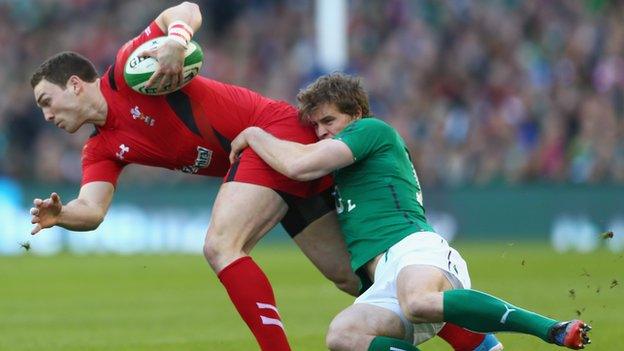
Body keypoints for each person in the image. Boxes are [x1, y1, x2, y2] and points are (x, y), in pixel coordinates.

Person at [27, 3, 494, 351]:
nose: (46, 116)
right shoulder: (101, 146)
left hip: (270, 135)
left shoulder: (132, 71)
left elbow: (186, 8)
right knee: (359, 281)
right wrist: (62, 214)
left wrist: (177, 38)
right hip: (258, 164)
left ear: (74, 85)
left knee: (221, 245)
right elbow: (93, 210)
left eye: (47, 102)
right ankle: (482, 344)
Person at [229, 73, 593, 351]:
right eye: (316, 126)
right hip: (383, 276)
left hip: (413, 248)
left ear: (355, 114)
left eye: (329, 121)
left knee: (418, 302)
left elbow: (298, 167)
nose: (321, 132)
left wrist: (254, 135)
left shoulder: (371, 130)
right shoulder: (346, 165)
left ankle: (552, 329)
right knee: (343, 336)